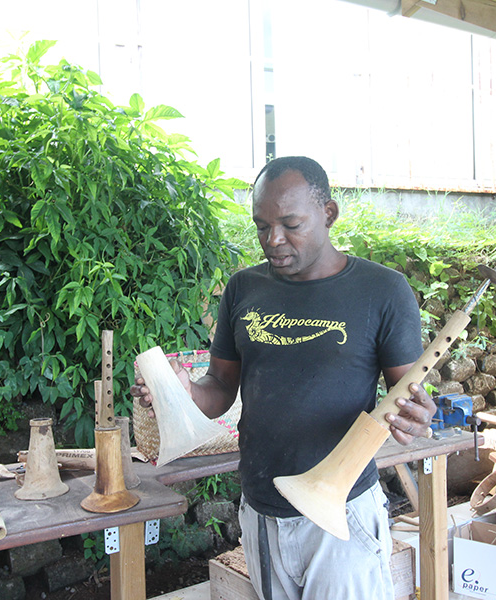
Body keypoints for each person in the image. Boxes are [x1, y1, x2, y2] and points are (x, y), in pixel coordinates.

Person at [132, 156, 436, 600]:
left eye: (291, 224)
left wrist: (416, 416)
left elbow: (405, 396)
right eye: (261, 226)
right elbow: (219, 390)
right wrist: (184, 392)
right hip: (261, 509)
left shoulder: (382, 291)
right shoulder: (242, 289)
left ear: (329, 214)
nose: (273, 240)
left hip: (342, 514)